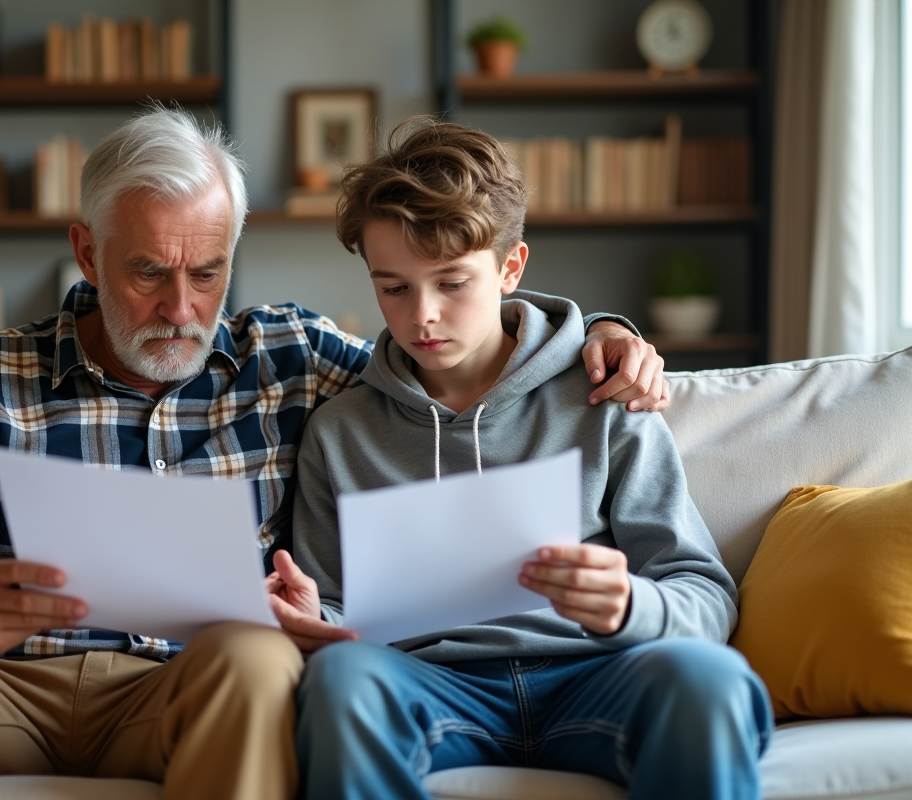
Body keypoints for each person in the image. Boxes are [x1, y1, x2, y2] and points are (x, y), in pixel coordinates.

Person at [0, 107, 672, 800]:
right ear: (86, 252)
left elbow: (448, 354)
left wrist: (599, 334)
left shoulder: (290, 356)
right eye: (147, 271)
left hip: (192, 689)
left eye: (208, 271)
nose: (181, 307)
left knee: (259, 659)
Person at [266, 118, 773, 800]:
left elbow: (705, 594)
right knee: (341, 683)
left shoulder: (607, 395)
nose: (423, 317)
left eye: (452, 283)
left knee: (713, 682)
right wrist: (313, 619)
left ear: (510, 269)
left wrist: (630, 604)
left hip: (599, 673)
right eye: (394, 287)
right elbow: (334, 607)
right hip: (431, 685)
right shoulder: (340, 432)